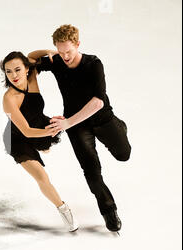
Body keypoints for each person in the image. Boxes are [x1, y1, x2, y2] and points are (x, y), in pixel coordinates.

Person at [28, 24, 131, 232]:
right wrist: (49, 53)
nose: (65, 56)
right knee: (92, 171)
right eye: (61, 51)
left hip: (103, 118)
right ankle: (109, 210)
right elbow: (30, 59)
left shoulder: (93, 63)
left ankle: (121, 127)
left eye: (69, 51)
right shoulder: (57, 61)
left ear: (78, 44)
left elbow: (98, 102)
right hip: (77, 127)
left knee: (124, 155)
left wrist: (66, 123)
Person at [1, 51, 78, 232]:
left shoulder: (32, 78)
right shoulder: (8, 99)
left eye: (18, 69)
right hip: (19, 139)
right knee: (42, 177)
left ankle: (44, 147)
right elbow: (26, 131)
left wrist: (49, 52)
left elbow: (32, 55)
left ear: (27, 69)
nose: (14, 76)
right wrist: (52, 130)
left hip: (40, 124)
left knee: (45, 144)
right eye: (9, 71)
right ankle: (63, 208)